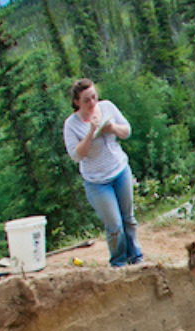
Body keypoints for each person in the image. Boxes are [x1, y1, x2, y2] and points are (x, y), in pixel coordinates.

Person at [62, 79, 144, 267]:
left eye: (93, 97)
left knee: (128, 218)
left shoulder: (107, 107)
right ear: (76, 102)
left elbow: (126, 130)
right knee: (114, 225)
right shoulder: (71, 125)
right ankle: (118, 261)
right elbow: (76, 155)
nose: (92, 103)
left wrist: (111, 128)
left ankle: (136, 255)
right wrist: (91, 132)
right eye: (86, 100)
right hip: (97, 181)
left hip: (119, 169)